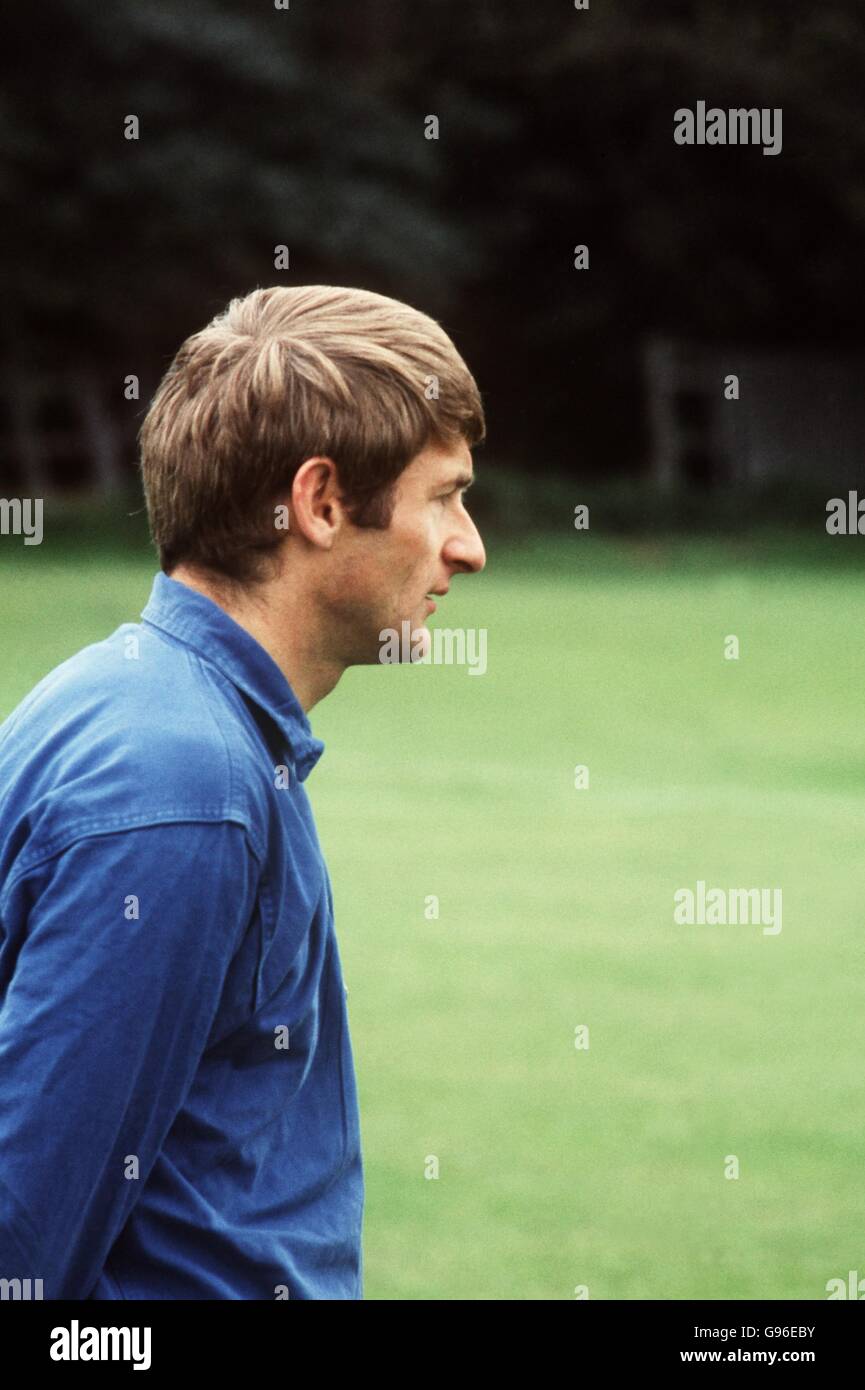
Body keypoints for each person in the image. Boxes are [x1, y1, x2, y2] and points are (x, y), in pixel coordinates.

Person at [0, 284, 486, 1299]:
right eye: (442, 495)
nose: (467, 546)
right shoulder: (182, 787)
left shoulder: (139, 705)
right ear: (317, 503)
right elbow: (23, 1243)